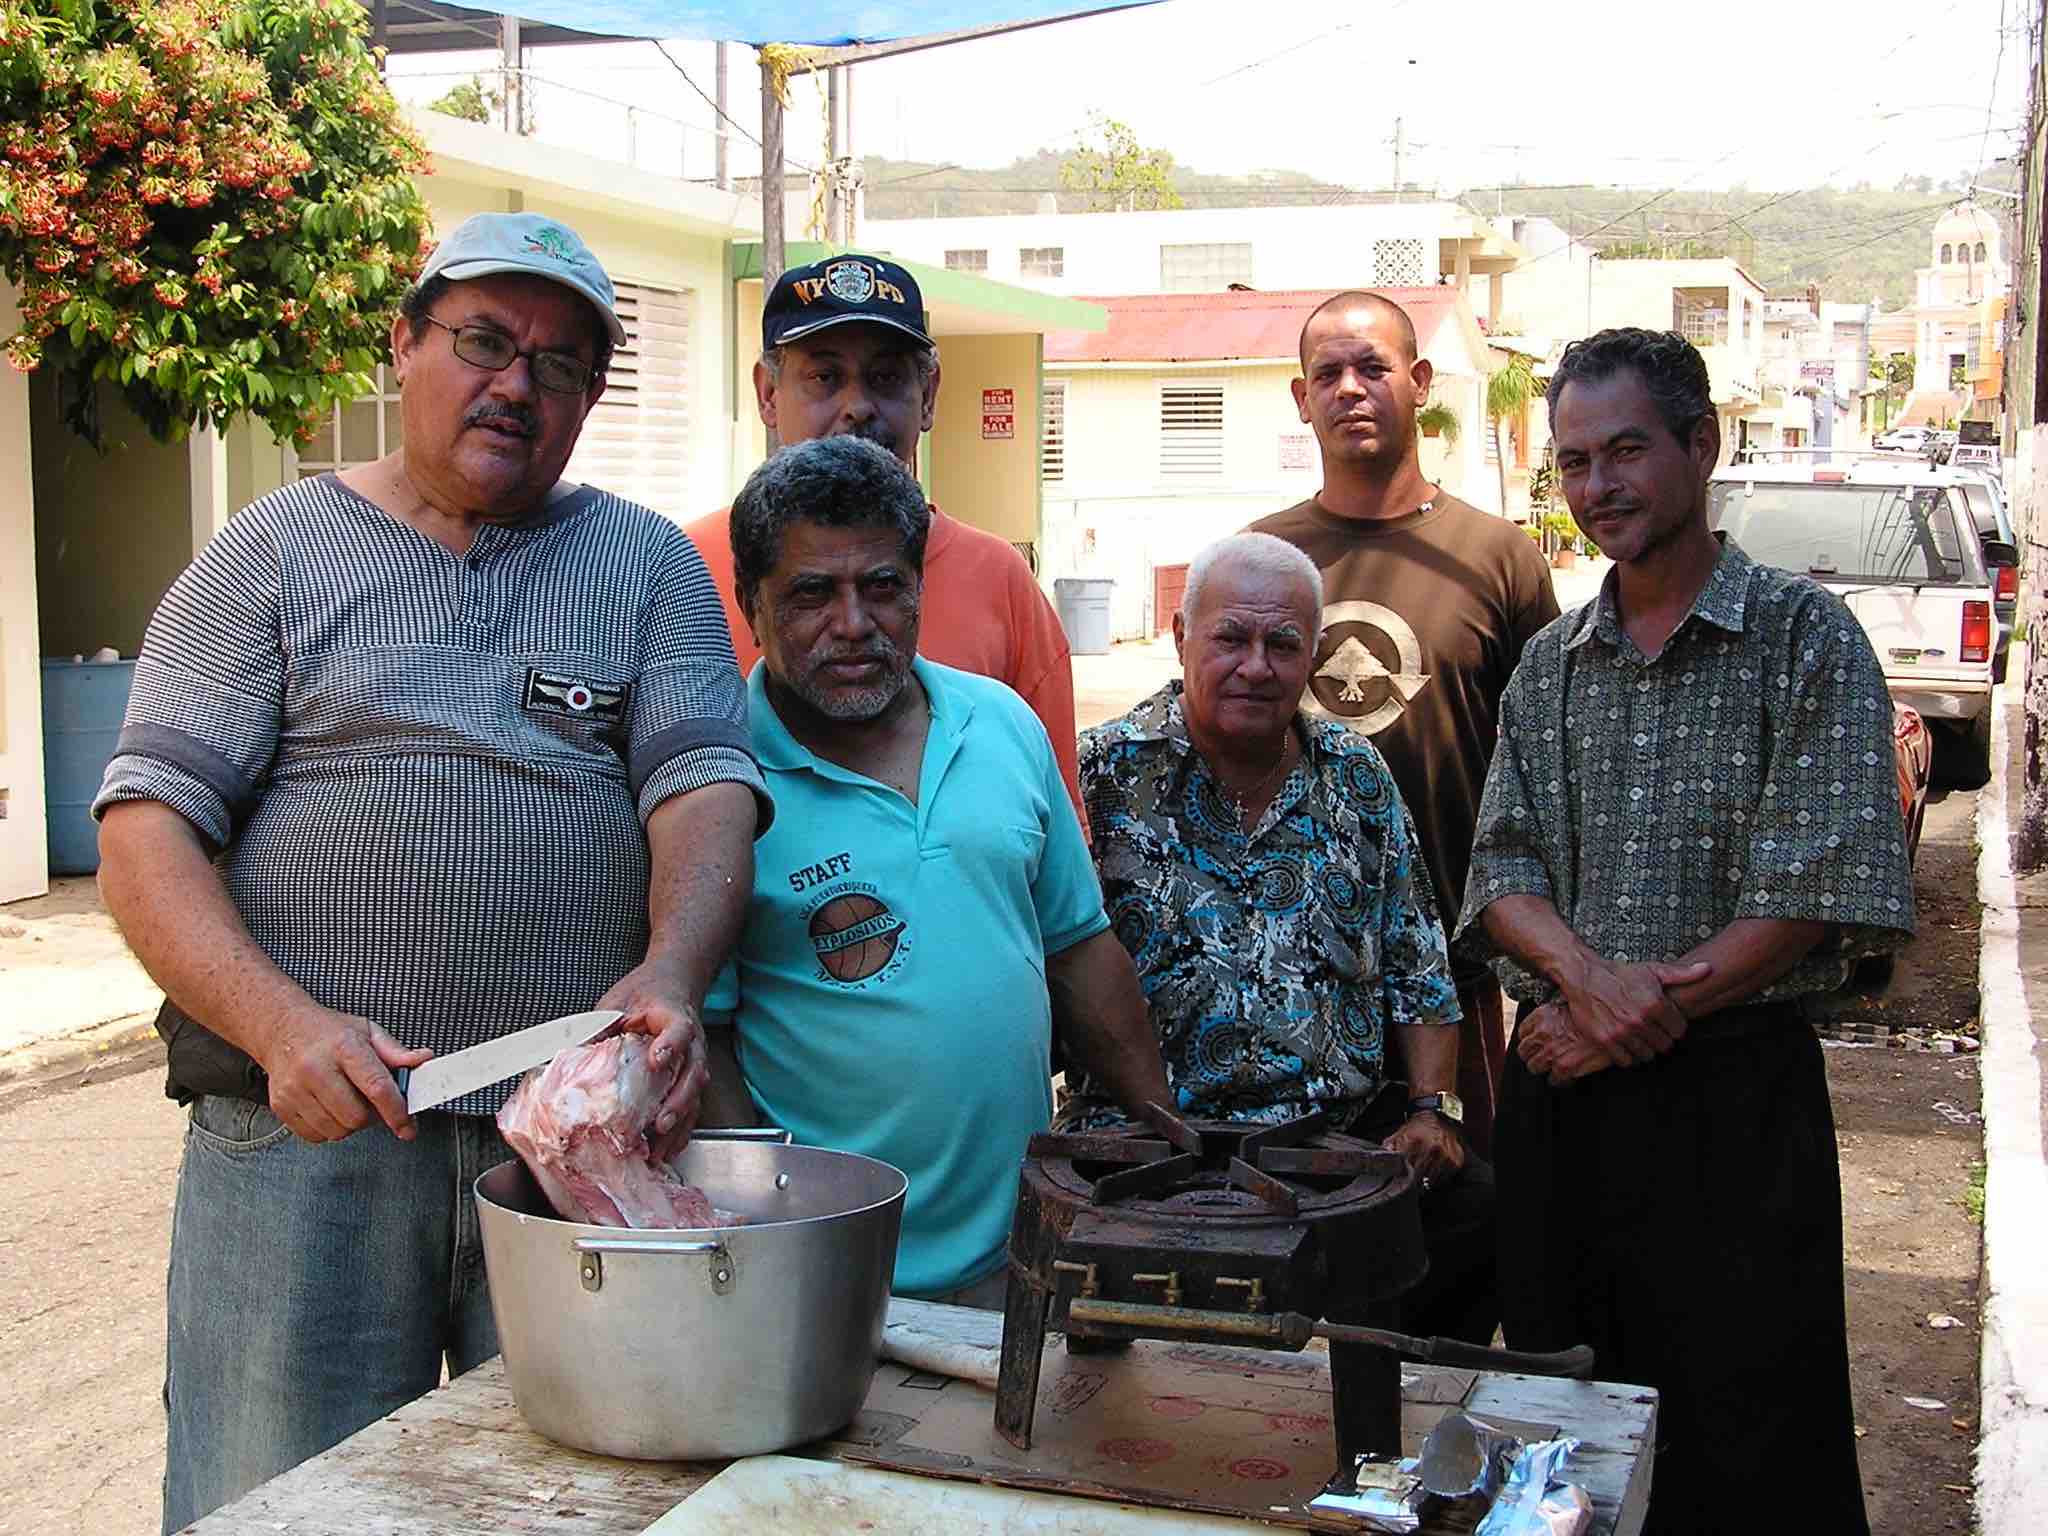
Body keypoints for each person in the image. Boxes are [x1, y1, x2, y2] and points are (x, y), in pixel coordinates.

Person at [92, 213, 769, 1532]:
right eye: (485, 341)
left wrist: (673, 972)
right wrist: (280, 1029)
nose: (519, 384)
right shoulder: (270, 554)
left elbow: (705, 796)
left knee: (583, 1502)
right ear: (402, 345)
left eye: (564, 364)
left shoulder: (648, 570)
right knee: (277, 1504)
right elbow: (143, 831)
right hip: (307, 1145)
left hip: (572, 1148)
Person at [1455, 328, 1912, 1535]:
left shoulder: (1803, 641)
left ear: (1698, 445)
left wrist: (1623, 1014)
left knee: (1748, 1436)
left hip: (1733, 1110)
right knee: (1566, 1419)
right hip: (1568, 1107)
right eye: (1571, 462)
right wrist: (1579, 980)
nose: (1598, 486)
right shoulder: (1549, 666)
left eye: (1624, 451)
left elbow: (1816, 883)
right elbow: (1499, 871)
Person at [696, 435, 1165, 1306]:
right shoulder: (718, 779)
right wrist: (773, 1229)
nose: (853, 623)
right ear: (749, 607)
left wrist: (1170, 1139)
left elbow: (1079, 947)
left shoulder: (1001, 724)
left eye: (883, 587)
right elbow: (707, 1036)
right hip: (826, 1279)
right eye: (810, 594)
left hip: (1020, 1254)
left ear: (919, 591)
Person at [1064, 531, 1494, 1345]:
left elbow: (1417, 960)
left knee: (1482, 1217)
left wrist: (1434, 1109)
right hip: (1144, 1140)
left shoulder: (1357, 775)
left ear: (1314, 656)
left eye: (1282, 643)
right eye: (1230, 637)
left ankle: (1380, 1448)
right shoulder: (1099, 776)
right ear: (1182, 636)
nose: (1256, 666)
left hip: (1332, 1138)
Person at [1248, 291, 1559, 1159]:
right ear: (1300, 398)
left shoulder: (1500, 557)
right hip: (1290, 961)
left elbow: (1546, 766)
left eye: (1373, 367)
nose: (1351, 388)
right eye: (1328, 373)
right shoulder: (1263, 559)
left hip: (1457, 962)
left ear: (1419, 383)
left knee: (1464, 1212)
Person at [682, 252, 1086, 831]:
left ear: (928, 394)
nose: (857, 407)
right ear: (768, 392)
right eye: (824, 377)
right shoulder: (681, 570)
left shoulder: (999, 581)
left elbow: (1056, 829)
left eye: (886, 377)